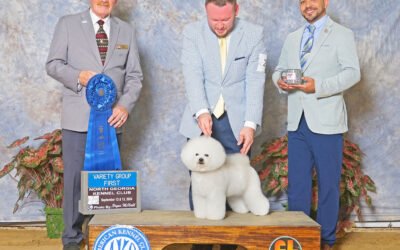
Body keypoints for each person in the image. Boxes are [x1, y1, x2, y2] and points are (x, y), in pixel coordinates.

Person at [46, 0, 143, 249]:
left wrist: (124, 106)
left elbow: (134, 76)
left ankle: (104, 238)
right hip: (77, 120)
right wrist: (78, 76)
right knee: (75, 182)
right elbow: (53, 64)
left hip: (112, 119)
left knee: (107, 183)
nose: (104, 1)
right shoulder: (67, 24)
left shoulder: (126, 31)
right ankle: (72, 240)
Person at [272, 0, 360, 249]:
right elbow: (278, 70)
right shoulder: (292, 37)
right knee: (297, 184)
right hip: (296, 122)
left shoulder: (342, 35)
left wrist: (318, 86)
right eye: (302, 1)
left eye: (312, 0)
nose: (307, 5)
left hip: (327, 122)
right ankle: (299, 240)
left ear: (325, 2)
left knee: (328, 185)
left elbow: (353, 73)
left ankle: (325, 241)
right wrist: (280, 81)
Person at [179, 0, 266, 249]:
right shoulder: (192, 33)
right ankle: (202, 245)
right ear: (205, 11)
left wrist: (250, 124)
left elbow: (255, 80)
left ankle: (230, 245)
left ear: (236, 11)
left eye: (225, 20)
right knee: (201, 183)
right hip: (201, 118)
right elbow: (192, 75)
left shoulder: (254, 34)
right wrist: (201, 111)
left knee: (237, 185)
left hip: (237, 123)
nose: (219, 25)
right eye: (213, 19)